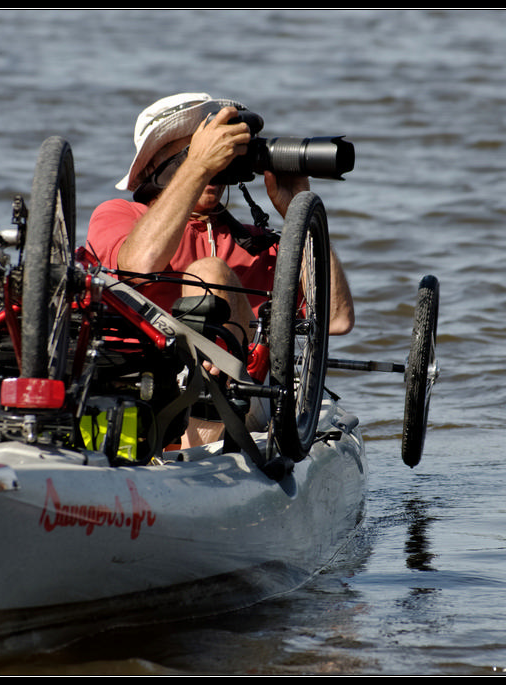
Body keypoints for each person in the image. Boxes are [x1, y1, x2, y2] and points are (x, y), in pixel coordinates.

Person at [87, 93, 355, 446]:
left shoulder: (259, 244)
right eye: (201, 149)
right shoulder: (119, 216)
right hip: (143, 384)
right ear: (156, 164)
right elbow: (139, 266)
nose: (215, 164)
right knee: (208, 271)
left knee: (211, 274)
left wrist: (297, 215)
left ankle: (202, 450)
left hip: (244, 398)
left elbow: (336, 319)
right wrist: (197, 167)